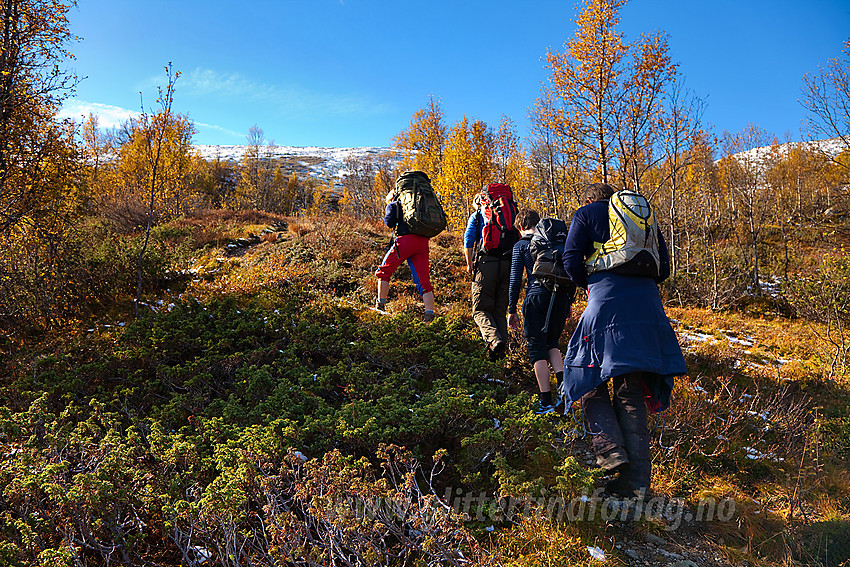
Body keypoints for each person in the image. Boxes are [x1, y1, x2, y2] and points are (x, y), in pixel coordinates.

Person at [560, 182, 687, 498]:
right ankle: (636, 483)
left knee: (585, 375)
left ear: (591, 199)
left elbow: (571, 260)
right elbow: (664, 268)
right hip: (647, 305)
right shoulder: (642, 219)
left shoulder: (586, 213)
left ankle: (609, 448)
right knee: (631, 389)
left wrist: (591, 282)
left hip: (606, 300)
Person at [508, 209, 575, 414]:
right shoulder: (555, 243)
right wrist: (569, 302)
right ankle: (564, 389)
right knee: (552, 344)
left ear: (520, 227)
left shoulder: (521, 245)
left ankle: (545, 401)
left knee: (537, 348)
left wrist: (512, 309)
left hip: (536, 296)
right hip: (560, 297)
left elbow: (515, 280)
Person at [463, 189, 518, 360]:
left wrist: (469, 263)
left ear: (481, 201)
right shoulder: (509, 215)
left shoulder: (478, 216)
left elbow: (468, 239)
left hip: (487, 262)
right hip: (508, 264)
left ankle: (494, 341)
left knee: (480, 309)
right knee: (499, 311)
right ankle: (501, 359)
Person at [375, 188, 436, 322]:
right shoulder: (421, 204)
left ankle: (380, 306)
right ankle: (429, 314)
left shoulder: (394, 204)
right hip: (423, 242)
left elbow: (389, 222)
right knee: (423, 279)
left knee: (384, 271)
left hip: (405, 241)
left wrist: (391, 209)